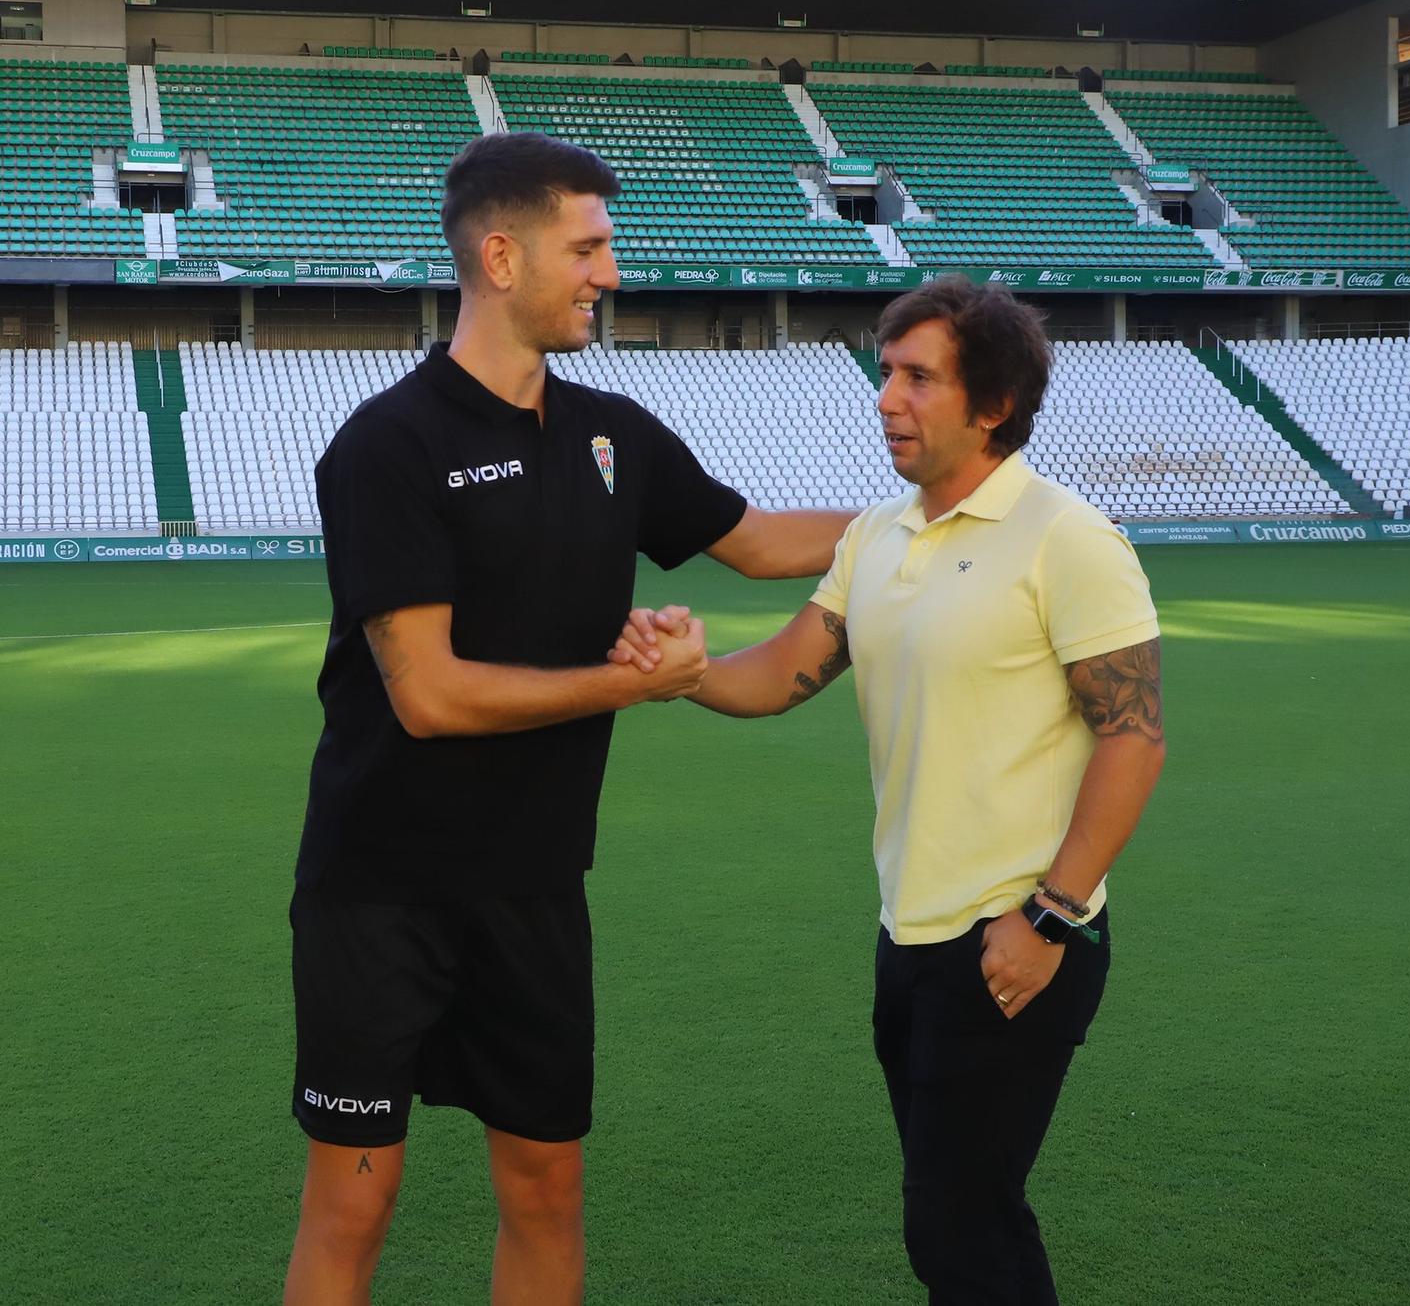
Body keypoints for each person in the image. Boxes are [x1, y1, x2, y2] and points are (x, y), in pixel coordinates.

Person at [283, 131, 856, 1305]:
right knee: (355, 1201)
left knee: (545, 1188)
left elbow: (754, 545)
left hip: (536, 886)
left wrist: (943, 514)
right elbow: (428, 696)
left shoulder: (614, 434)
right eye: (585, 247)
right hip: (379, 893)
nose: (608, 271)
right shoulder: (387, 446)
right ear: (500, 255)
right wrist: (626, 684)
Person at [621, 276, 1166, 1304]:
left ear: (991, 403)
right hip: (907, 935)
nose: (885, 397)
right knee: (962, 1219)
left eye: (918, 378)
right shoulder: (874, 535)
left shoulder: (1066, 538)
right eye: (884, 373)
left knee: (957, 1227)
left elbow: (1132, 740)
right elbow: (784, 671)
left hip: (1017, 937)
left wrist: (1045, 918)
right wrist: (680, 672)